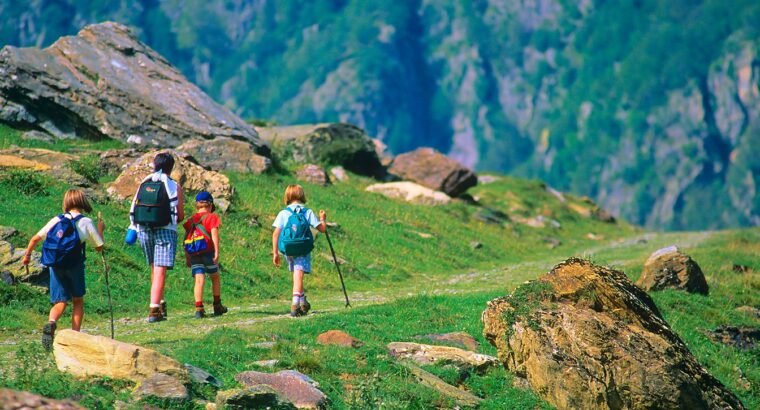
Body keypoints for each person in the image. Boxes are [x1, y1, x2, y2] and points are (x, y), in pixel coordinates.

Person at [22, 189, 105, 349]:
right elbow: (99, 247)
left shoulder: (56, 220)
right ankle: (75, 336)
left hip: (56, 265)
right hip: (75, 265)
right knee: (77, 300)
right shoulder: (85, 222)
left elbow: (35, 238)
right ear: (82, 202)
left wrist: (27, 256)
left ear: (66, 202)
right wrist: (101, 228)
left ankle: (51, 323)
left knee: (60, 301)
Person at [130, 152, 184, 323]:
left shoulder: (144, 183)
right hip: (165, 229)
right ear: (171, 167)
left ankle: (160, 302)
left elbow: (135, 206)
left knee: (154, 268)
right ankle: (154, 309)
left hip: (144, 229)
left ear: (154, 165)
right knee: (160, 269)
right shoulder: (173, 186)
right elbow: (180, 215)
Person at [272, 184, 326, 317]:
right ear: (302, 196)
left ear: (287, 197)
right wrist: (323, 219)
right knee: (299, 274)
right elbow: (322, 229)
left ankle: (303, 302)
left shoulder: (283, 213)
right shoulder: (307, 212)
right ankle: (295, 303)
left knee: (297, 275)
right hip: (302, 248)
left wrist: (275, 253)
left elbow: (275, 234)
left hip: (288, 249)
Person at [182, 191, 227, 318]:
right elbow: (214, 235)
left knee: (199, 279)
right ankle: (217, 305)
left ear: (197, 205)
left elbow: (186, 239)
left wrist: (187, 257)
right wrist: (217, 251)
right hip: (208, 252)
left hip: (194, 253)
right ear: (210, 204)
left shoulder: (191, 220)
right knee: (215, 276)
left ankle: (198, 308)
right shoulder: (212, 217)